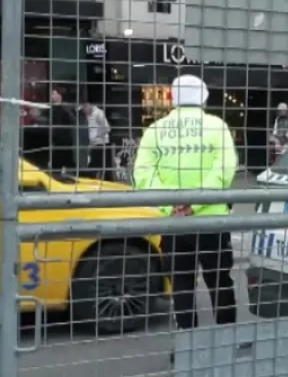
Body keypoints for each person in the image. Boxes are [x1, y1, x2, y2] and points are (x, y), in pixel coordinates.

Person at [132, 74, 238, 330]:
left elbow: (142, 175)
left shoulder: (155, 130)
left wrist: (173, 205)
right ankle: (225, 337)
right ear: (203, 97)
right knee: (219, 280)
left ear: (174, 98)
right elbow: (225, 169)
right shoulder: (217, 126)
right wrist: (195, 203)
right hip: (212, 220)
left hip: (175, 224)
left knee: (181, 284)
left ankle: (187, 341)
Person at [83, 103, 111, 179]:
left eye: (84, 108)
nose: (83, 111)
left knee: (95, 165)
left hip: (101, 144)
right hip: (94, 144)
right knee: (98, 165)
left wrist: (97, 136)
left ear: (88, 105)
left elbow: (107, 128)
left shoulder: (99, 113)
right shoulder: (88, 115)